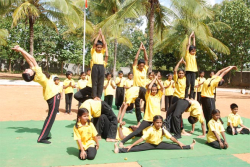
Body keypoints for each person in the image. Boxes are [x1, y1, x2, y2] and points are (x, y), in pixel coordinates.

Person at [11, 45, 60, 144]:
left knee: (51, 117)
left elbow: (29, 61)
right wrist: (22, 50)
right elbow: (32, 59)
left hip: (52, 95)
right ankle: (41, 138)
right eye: (26, 71)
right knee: (50, 118)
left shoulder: (36, 74)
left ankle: (44, 135)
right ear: (30, 75)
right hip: (53, 96)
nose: (27, 69)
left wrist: (21, 52)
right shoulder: (39, 75)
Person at [119, 72, 165, 147]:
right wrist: (154, 79)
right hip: (148, 119)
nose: (154, 91)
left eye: (155, 90)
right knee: (137, 131)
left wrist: (158, 80)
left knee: (164, 131)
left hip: (157, 120)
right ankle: (123, 141)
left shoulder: (158, 96)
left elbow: (162, 88)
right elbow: (149, 88)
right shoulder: (148, 96)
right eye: (153, 90)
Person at [114, 115, 196, 153]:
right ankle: (119, 150)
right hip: (149, 144)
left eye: (160, 122)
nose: (159, 124)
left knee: (175, 146)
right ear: (153, 122)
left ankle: (189, 146)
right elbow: (141, 139)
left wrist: (179, 142)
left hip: (159, 144)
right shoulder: (150, 129)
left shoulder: (163, 129)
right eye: (157, 122)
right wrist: (131, 145)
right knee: (135, 148)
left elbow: (171, 138)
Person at [91, 28, 107, 101]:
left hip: (101, 66)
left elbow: (104, 44)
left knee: (101, 82)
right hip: (95, 66)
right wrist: (98, 35)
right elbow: (94, 43)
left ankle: (99, 96)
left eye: (100, 47)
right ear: (96, 47)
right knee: (95, 82)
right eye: (98, 47)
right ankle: (94, 96)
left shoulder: (102, 52)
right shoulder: (93, 51)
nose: (99, 49)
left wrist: (102, 35)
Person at [185, 31, 198, 99]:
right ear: (189, 51)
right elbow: (189, 45)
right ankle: (186, 96)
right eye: (192, 51)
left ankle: (191, 97)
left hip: (193, 71)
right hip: (188, 71)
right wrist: (190, 37)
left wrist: (194, 38)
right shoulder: (187, 55)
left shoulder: (194, 55)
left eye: (194, 51)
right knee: (188, 85)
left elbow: (194, 45)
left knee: (192, 85)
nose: (193, 52)